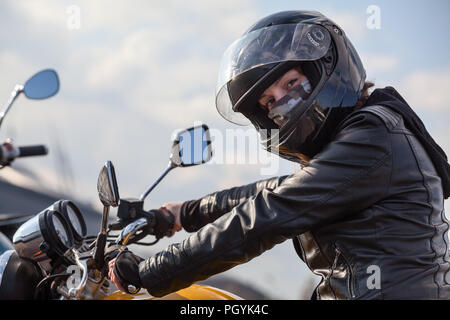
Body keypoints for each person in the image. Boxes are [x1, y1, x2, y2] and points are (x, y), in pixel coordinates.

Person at [108, 10, 450, 299]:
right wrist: (186, 213)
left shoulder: (374, 139)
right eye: (270, 102)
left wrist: (151, 270)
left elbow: (270, 214)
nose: (282, 104)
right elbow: (271, 192)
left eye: (289, 84)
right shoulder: (366, 136)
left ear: (323, 67)